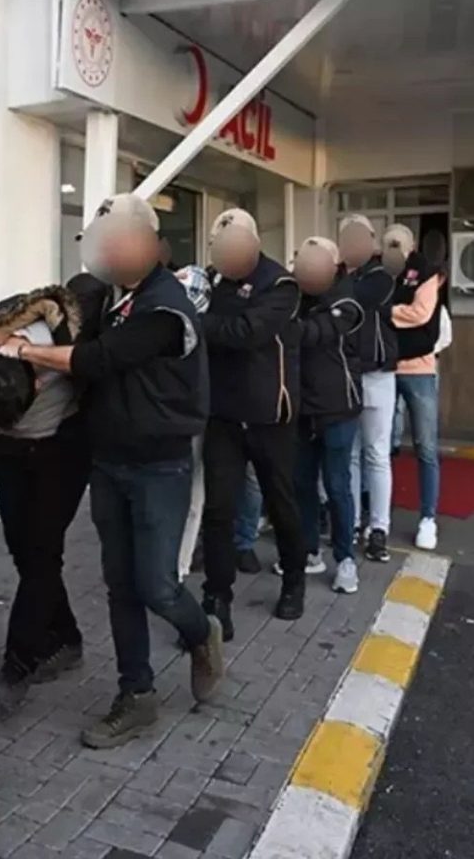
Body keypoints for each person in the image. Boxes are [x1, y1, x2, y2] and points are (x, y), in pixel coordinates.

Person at [0, 193, 224, 749]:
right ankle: (136, 695)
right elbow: (69, 324)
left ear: (150, 244)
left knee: (157, 586)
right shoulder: (112, 297)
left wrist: (23, 351)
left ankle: (201, 632)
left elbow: (99, 359)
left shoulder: (166, 309)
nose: (107, 254)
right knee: (120, 585)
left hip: (159, 466)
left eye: (117, 242)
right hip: (109, 462)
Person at [0, 285, 90, 718]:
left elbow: (92, 370)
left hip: (62, 452)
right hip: (13, 453)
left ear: (37, 381)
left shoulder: (60, 348)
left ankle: (18, 664)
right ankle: (66, 637)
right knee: (23, 551)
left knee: (41, 554)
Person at [198, 208, 308, 633]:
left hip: (269, 414)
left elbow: (248, 332)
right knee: (218, 509)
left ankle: (294, 581)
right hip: (222, 414)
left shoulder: (281, 285)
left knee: (281, 502)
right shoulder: (212, 279)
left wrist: (199, 322)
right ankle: (217, 596)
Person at [291, 237, 365, 593]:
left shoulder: (346, 301)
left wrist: (280, 323)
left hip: (339, 408)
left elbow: (317, 332)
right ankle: (310, 550)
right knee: (302, 483)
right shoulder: (296, 297)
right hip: (303, 408)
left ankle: (346, 559)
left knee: (337, 485)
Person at [338, 215, 398, 563]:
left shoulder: (381, 275)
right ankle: (351, 522)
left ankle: (379, 528)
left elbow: (357, 299)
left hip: (377, 375)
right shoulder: (340, 275)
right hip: (347, 374)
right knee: (351, 454)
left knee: (375, 454)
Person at [384, 224, 448, 550]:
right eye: (388, 244)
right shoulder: (381, 274)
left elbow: (421, 313)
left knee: (425, 447)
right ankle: (378, 517)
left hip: (419, 372)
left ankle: (428, 518)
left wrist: (387, 313)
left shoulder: (425, 273)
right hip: (384, 370)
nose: (392, 249)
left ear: (410, 247)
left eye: (397, 244)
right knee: (381, 449)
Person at [173, 261, 211, 581]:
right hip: (181, 419)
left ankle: (180, 563)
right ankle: (178, 563)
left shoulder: (199, 329)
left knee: (191, 492)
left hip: (190, 419)